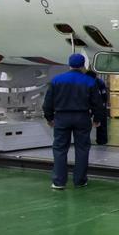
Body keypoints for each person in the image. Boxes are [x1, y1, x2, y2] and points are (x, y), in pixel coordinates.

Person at [42, 53, 104, 190]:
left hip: (61, 118)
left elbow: (48, 103)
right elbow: (97, 104)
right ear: (83, 66)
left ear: (69, 65)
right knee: (82, 149)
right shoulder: (89, 81)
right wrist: (97, 119)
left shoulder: (57, 80)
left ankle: (59, 182)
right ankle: (80, 180)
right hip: (82, 118)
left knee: (59, 149)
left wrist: (49, 118)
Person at [85, 68, 110, 146]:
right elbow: (104, 95)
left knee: (86, 124)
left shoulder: (88, 82)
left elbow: (104, 95)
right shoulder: (99, 82)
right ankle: (102, 140)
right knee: (101, 124)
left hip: (91, 105)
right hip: (98, 105)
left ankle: (86, 140)